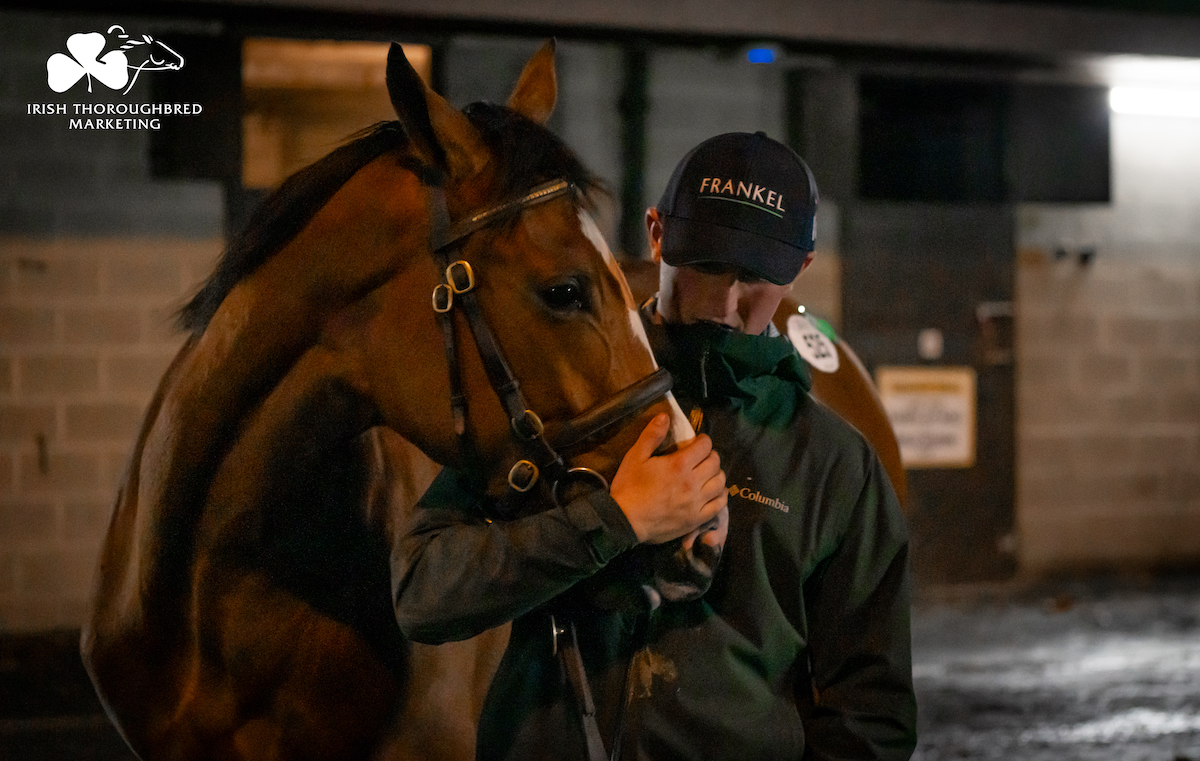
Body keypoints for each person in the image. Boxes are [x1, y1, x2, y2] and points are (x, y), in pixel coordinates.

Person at [393, 131, 917, 760]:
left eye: (755, 276)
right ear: (658, 234)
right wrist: (613, 522)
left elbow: (870, 713)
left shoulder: (836, 464)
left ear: (801, 267)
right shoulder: (559, 402)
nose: (724, 305)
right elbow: (423, 596)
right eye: (705, 265)